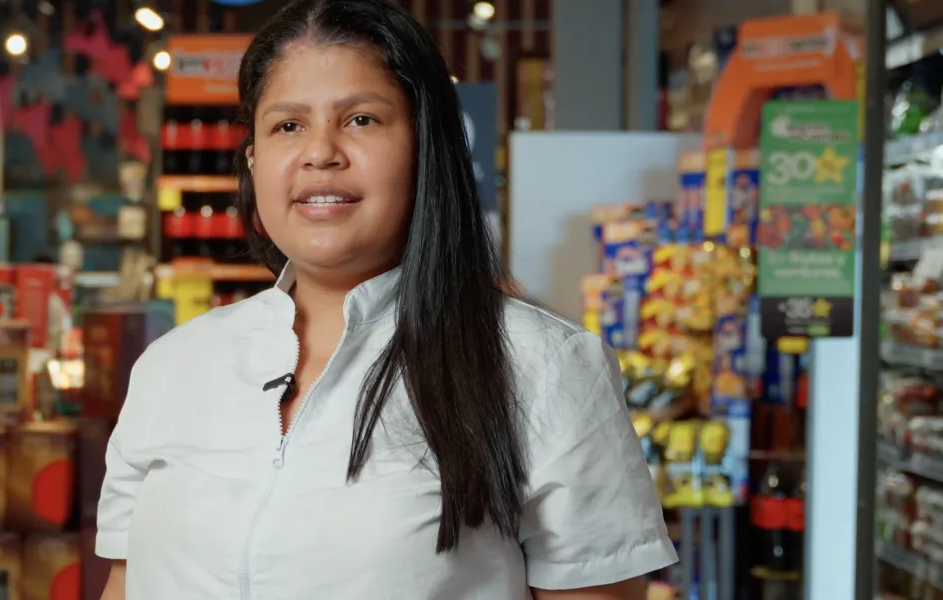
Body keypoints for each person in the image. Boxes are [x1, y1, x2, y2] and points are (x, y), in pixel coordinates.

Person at [93, 1, 677, 598]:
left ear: (428, 149)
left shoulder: (541, 366)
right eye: (287, 126)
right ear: (253, 160)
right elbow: (125, 582)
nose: (321, 151)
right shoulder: (173, 366)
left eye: (361, 120)